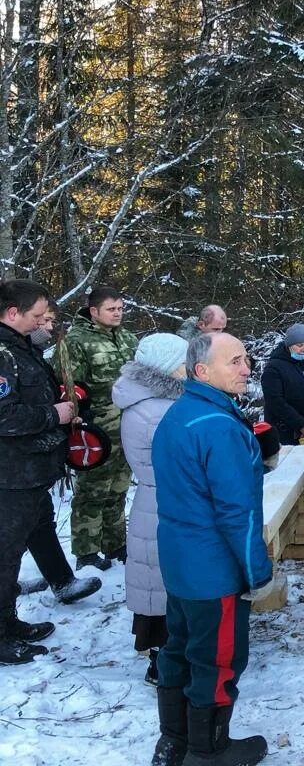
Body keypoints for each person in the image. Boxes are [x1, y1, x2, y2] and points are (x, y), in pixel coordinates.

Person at [151, 332, 271, 766]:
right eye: (234, 361)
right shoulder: (217, 426)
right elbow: (237, 513)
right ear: (202, 371)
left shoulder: (181, 413)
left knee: (180, 647)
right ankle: (208, 751)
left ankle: (174, 741)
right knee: (217, 660)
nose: (246, 369)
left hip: (181, 561)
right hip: (212, 567)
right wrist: (257, 570)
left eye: (245, 359)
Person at [0, 280, 100, 666]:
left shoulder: (21, 348)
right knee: (6, 555)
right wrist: (52, 415)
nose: (45, 321)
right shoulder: (3, 354)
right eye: (38, 315)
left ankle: (13, 621)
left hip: (30, 470)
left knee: (37, 528)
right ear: (13, 313)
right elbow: (4, 414)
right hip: (11, 474)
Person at [113, 333, 188, 686]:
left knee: (156, 585)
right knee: (163, 586)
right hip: (166, 502)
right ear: (167, 366)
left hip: (154, 500)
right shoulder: (158, 409)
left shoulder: (148, 401)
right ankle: (163, 663)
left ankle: (161, 656)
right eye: (183, 362)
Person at [59, 285, 139, 571]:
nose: (117, 314)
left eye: (120, 308)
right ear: (94, 312)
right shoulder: (76, 341)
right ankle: (87, 552)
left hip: (127, 425)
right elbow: (70, 387)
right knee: (92, 491)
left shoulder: (128, 338)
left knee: (118, 488)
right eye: (111, 309)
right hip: (96, 430)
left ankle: (115, 544)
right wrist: (81, 420)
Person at [260, 323, 304, 447]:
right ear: (289, 346)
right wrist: (301, 424)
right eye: (299, 345)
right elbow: (275, 401)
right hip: (284, 432)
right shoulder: (274, 368)